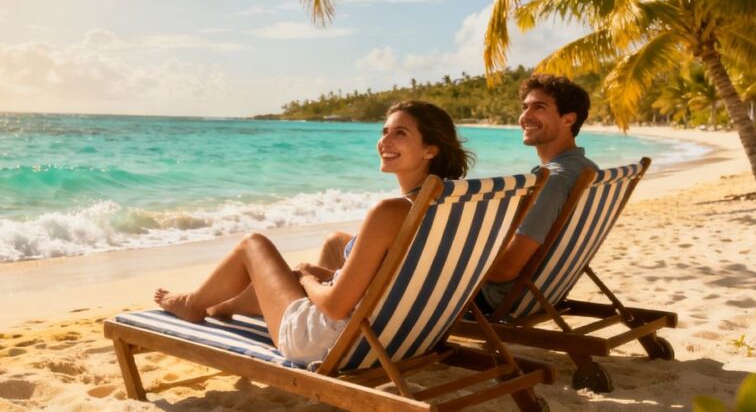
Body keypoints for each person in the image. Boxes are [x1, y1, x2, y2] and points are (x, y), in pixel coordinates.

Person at [153, 100, 471, 364]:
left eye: (399, 133)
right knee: (278, 282)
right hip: (402, 336)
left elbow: (334, 307)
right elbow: (394, 277)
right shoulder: (457, 206)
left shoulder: (390, 212)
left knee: (254, 244)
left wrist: (308, 278)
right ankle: (218, 306)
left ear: (430, 149)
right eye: (384, 131)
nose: (384, 142)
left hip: (330, 341)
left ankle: (193, 304)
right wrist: (319, 277)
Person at [477, 74, 598, 312]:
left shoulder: (553, 180)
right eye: (525, 107)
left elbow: (505, 271)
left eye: (539, 107)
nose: (525, 117)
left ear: (568, 119)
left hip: (497, 298)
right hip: (546, 291)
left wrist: (459, 265)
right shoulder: (588, 169)